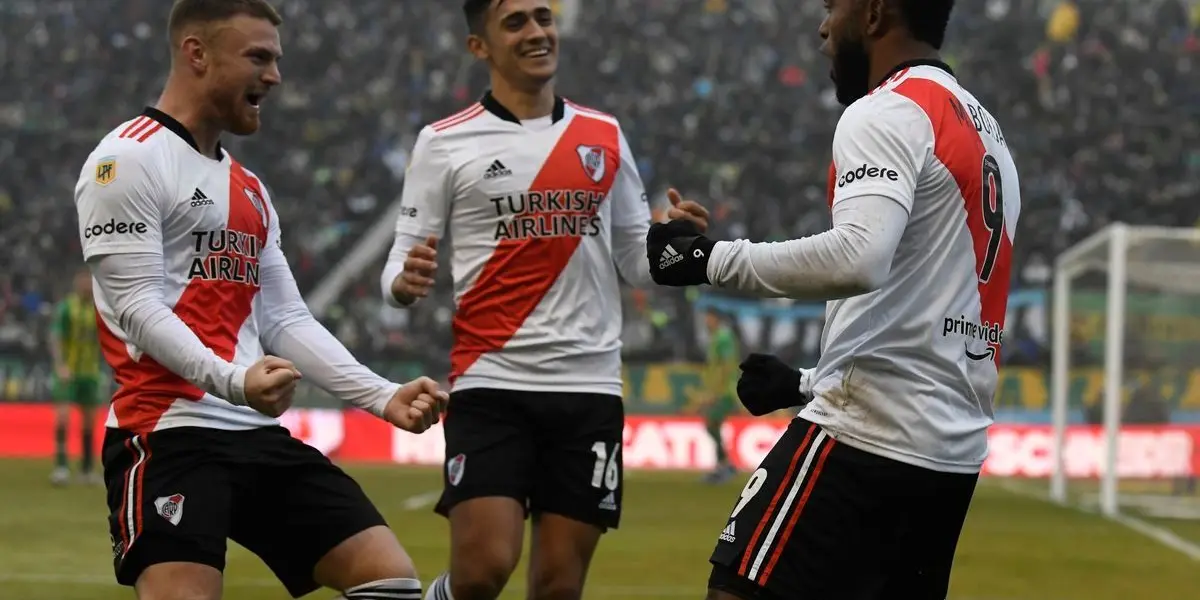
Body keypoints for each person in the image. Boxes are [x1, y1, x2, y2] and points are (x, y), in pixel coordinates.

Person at [645, 0, 1021, 598]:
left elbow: (858, 257)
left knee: (735, 590)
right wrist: (804, 383)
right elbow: (926, 316)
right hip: (948, 458)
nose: (823, 28)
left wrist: (703, 259)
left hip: (867, 437)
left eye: (832, 7)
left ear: (873, 15)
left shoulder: (889, 108)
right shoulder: (987, 134)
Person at [73, 1, 446, 599]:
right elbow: (137, 307)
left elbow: (285, 317)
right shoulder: (126, 161)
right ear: (197, 53)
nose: (274, 76)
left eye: (276, 59)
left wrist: (381, 395)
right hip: (169, 433)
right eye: (258, 57)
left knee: (389, 578)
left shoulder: (249, 189)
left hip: (253, 432)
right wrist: (233, 381)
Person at [381, 2, 708, 599]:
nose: (536, 32)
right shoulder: (444, 142)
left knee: (559, 587)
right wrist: (402, 283)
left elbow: (639, 263)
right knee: (483, 570)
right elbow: (400, 261)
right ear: (479, 46)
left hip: (589, 388)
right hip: (492, 381)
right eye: (515, 23)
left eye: (543, 17)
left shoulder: (603, 134)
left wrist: (677, 243)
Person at [49, 268, 104, 486]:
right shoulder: (66, 308)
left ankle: (87, 469)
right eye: (83, 281)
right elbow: (56, 337)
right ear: (76, 283)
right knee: (63, 417)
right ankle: (61, 467)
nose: (86, 285)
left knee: (89, 421)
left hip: (90, 372)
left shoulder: (99, 308)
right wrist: (60, 365)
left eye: (89, 281)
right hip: (68, 372)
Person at [699, 309, 740, 484]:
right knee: (712, 424)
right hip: (719, 390)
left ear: (716, 319)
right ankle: (724, 466)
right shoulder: (717, 337)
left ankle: (724, 467)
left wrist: (715, 393)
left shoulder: (723, 338)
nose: (706, 321)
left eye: (708, 318)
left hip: (725, 391)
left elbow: (726, 366)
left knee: (712, 423)